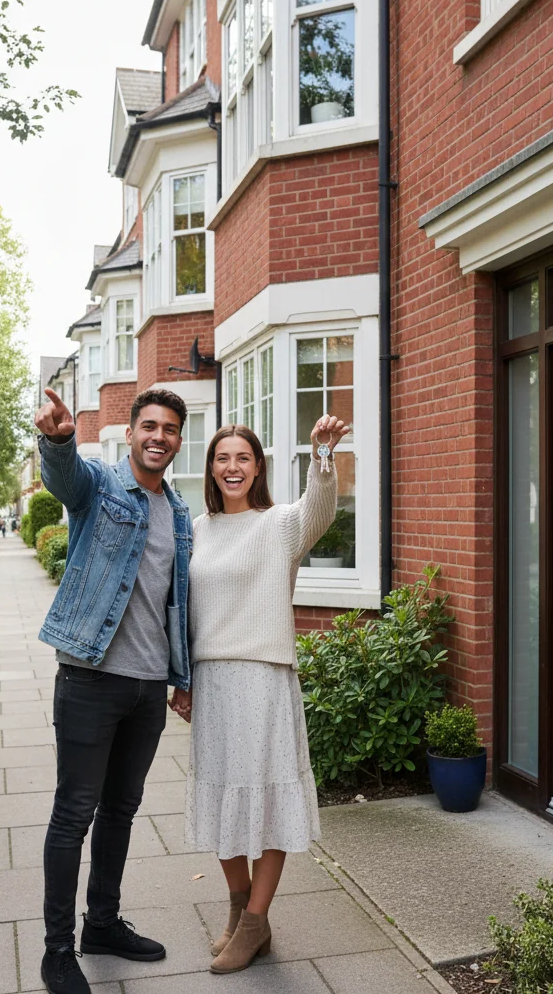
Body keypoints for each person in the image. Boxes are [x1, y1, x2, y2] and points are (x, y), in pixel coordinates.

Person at [173, 414, 349, 974]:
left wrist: (322, 458)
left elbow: (320, 510)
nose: (232, 468)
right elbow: (180, 609)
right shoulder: (196, 529)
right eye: (222, 458)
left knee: (269, 803)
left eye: (243, 458)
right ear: (210, 468)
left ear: (258, 468)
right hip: (214, 682)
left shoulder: (279, 526)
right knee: (222, 799)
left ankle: (253, 923)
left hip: (265, 680)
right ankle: (240, 909)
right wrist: (181, 678)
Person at [34, 386, 194, 994]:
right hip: (90, 677)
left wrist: (181, 679)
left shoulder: (177, 514)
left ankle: (101, 923)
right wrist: (56, 439)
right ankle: (56, 950)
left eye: (171, 428)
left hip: (148, 686)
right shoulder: (100, 487)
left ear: (179, 439)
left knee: (122, 810)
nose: (159, 436)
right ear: (130, 433)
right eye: (149, 425)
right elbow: (65, 477)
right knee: (74, 812)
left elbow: (176, 603)